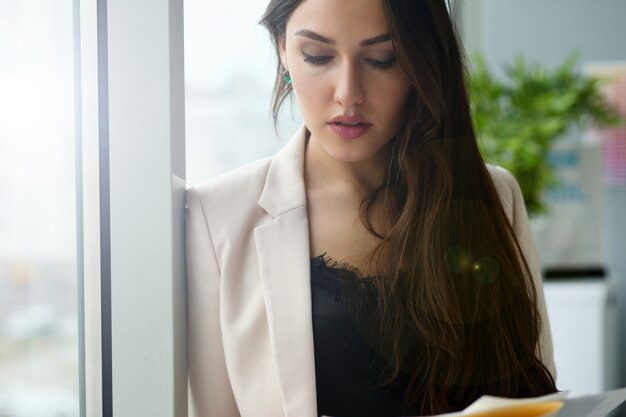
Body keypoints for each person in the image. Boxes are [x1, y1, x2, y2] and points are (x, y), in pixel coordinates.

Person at [185, 0, 558, 416]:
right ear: (283, 50)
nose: (348, 93)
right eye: (318, 56)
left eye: (384, 59)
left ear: (422, 63)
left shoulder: (493, 193)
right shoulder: (216, 217)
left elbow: (534, 397)